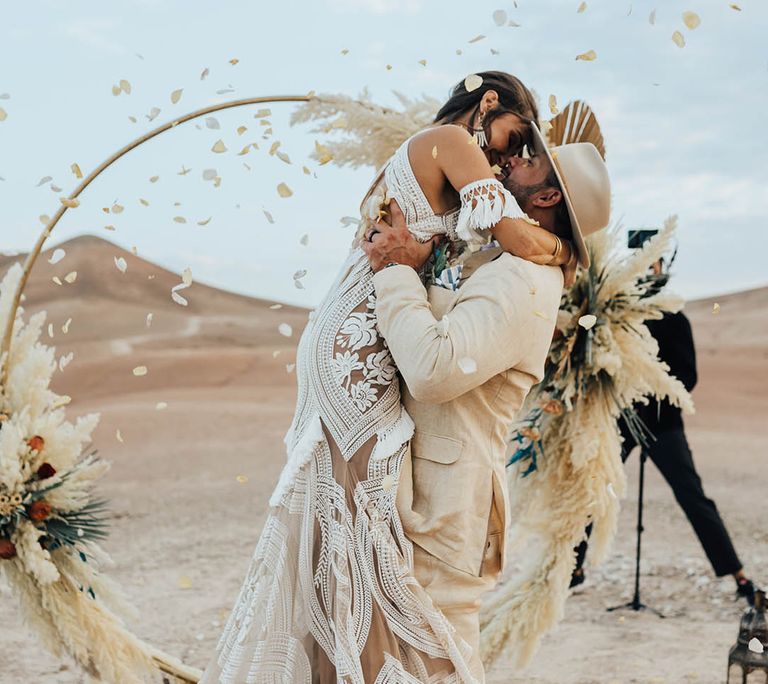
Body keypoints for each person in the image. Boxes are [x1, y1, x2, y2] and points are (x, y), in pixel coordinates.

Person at [198, 71, 592, 684]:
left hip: (383, 398)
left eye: (526, 153)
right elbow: (500, 241)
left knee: (387, 586)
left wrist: (554, 252)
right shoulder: (457, 167)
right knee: (354, 553)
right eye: (519, 140)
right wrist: (559, 252)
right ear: (487, 104)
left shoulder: (495, 233)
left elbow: (441, 345)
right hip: (363, 361)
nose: (511, 157)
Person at [361, 121, 611, 681]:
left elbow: (432, 370)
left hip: (448, 505)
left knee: (439, 662)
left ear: (545, 196)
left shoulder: (523, 280)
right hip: (428, 493)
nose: (509, 161)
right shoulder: (504, 261)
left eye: (528, 160)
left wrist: (398, 273)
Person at [569, 234, 757, 606]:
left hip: (663, 425)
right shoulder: (619, 317)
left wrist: (649, 394)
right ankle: (571, 568)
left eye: (651, 263)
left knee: (692, 495)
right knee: (593, 491)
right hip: (622, 419)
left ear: (661, 267)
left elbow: (687, 378)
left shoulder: (674, 317)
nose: (645, 270)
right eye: (639, 262)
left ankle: (737, 574)